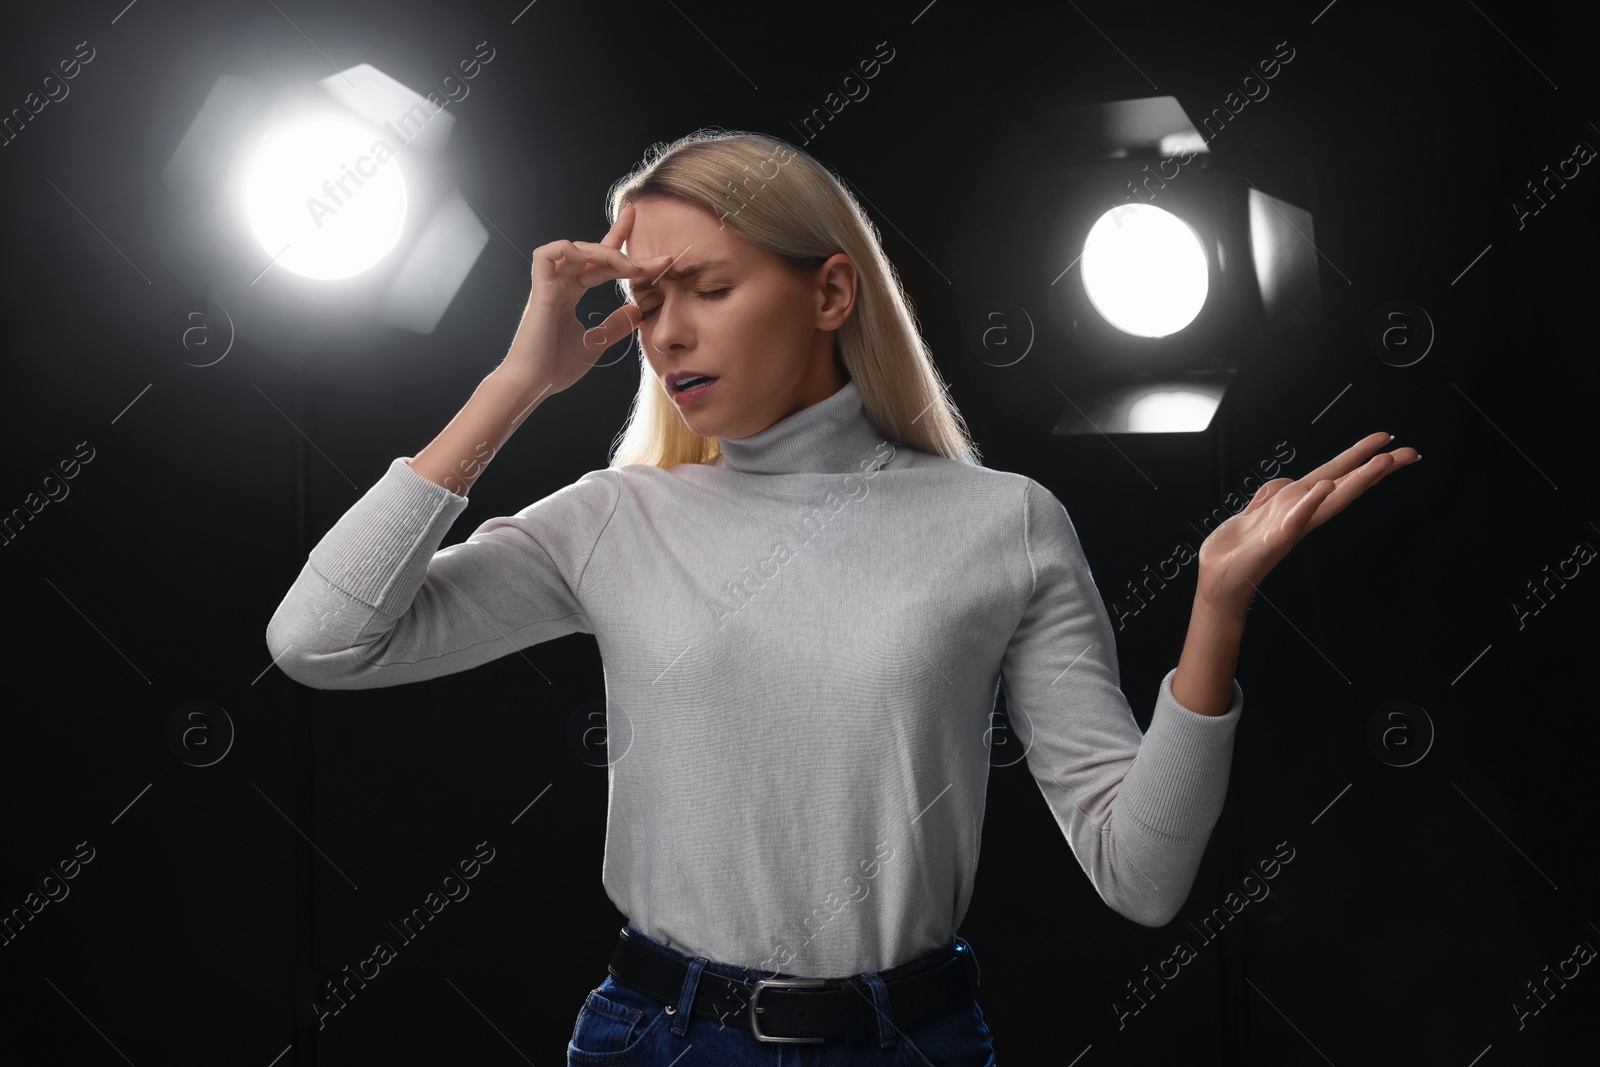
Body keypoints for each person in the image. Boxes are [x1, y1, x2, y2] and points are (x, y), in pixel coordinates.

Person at [265, 128, 1419, 1065]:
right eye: (646, 300)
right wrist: (517, 384)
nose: (666, 333)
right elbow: (320, 642)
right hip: (659, 1041)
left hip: (908, 1042)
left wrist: (1214, 610)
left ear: (829, 292)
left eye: (706, 288)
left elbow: (1143, 873)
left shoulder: (1000, 524)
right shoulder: (615, 517)